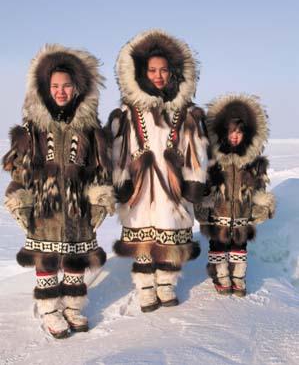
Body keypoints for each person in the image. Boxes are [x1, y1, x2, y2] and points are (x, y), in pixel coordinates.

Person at [3, 44, 115, 338]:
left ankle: (73, 306)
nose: (61, 91)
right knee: (47, 259)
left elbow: (100, 169)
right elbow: (20, 170)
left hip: (78, 208)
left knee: (75, 258)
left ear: (78, 88)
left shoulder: (91, 129)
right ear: (45, 88)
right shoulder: (33, 128)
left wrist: (100, 199)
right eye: (55, 86)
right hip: (45, 209)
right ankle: (50, 309)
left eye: (67, 85)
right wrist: (19, 198)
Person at [108, 29, 208, 312]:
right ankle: (145, 288)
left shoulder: (186, 111)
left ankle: (166, 284)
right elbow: (119, 149)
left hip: (172, 185)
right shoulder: (128, 112)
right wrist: (121, 180)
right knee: (143, 240)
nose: (159, 75)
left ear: (174, 72)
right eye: (152, 70)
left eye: (164, 70)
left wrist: (194, 182)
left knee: (171, 236)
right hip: (140, 187)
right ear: (142, 72)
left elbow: (196, 149)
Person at [195, 94, 275, 296]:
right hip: (217, 211)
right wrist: (202, 203)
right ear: (224, 132)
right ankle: (221, 276)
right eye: (231, 132)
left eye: (239, 132)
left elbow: (259, 186)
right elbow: (204, 182)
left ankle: (238, 278)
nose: (235, 136)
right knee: (218, 245)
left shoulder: (252, 160)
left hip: (242, 213)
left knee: (239, 246)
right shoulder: (214, 158)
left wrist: (261, 205)